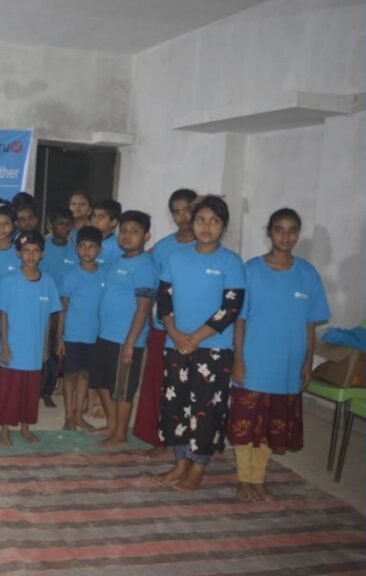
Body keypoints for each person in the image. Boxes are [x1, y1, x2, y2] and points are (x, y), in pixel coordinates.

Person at [231, 208, 329, 502]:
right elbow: (240, 320)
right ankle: (244, 479)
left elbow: (310, 324)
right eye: (279, 229)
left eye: (292, 230)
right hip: (253, 362)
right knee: (246, 424)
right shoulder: (251, 270)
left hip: (287, 366)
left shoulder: (308, 274)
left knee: (270, 427)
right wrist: (238, 359)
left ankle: (258, 479)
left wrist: (307, 363)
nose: (286, 236)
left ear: (298, 234)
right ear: (269, 232)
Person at [155, 195, 245, 492]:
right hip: (176, 344)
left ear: (224, 226)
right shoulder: (175, 258)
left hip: (213, 348)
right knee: (175, 406)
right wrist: (174, 333)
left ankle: (197, 467)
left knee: (205, 409)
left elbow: (230, 308)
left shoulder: (231, 262)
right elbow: (164, 298)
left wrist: (194, 338)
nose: (207, 227)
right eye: (201, 220)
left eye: (214, 221)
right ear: (192, 223)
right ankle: (180, 462)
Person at [133, 188, 198, 459]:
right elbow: (152, 288)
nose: (183, 216)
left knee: (193, 391)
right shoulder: (161, 248)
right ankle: (159, 439)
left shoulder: (208, 247)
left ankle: (194, 443)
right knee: (159, 386)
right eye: (176, 211)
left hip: (198, 332)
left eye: (188, 209)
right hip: (164, 329)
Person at [89, 210, 157, 447]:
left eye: (134, 232)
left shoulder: (145, 266)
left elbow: (143, 308)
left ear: (146, 236)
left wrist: (130, 342)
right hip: (105, 334)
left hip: (125, 339)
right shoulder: (119, 260)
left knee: (122, 390)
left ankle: (120, 433)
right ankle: (111, 425)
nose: (127, 236)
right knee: (102, 383)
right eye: (124, 231)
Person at [0, 231, 61, 447]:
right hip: (13, 346)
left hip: (34, 348)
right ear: (18, 253)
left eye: (35, 251)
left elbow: (48, 317)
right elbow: (3, 315)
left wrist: (45, 348)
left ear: (42, 254)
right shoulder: (9, 281)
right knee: (8, 390)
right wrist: (4, 346)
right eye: (26, 251)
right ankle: (5, 428)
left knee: (30, 391)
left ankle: (25, 427)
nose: (30, 255)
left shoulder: (48, 282)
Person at [56, 226, 108, 431]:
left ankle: (79, 415)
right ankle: (69, 415)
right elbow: (63, 308)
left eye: (92, 246)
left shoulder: (106, 275)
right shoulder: (69, 275)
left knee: (86, 375)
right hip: (72, 335)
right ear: (76, 249)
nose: (87, 250)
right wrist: (60, 337)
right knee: (69, 376)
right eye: (83, 246)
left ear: (99, 250)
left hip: (95, 336)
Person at [38, 207, 75, 408]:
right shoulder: (42, 248)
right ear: (50, 226)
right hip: (42, 306)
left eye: (68, 223)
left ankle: (47, 390)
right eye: (61, 223)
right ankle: (34, 387)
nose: (65, 227)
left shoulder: (74, 250)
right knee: (38, 349)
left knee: (55, 352)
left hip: (64, 309)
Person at [92, 199, 124, 268]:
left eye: (101, 217)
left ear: (113, 222)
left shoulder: (118, 247)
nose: (95, 220)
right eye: (94, 216)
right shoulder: (86, 240)